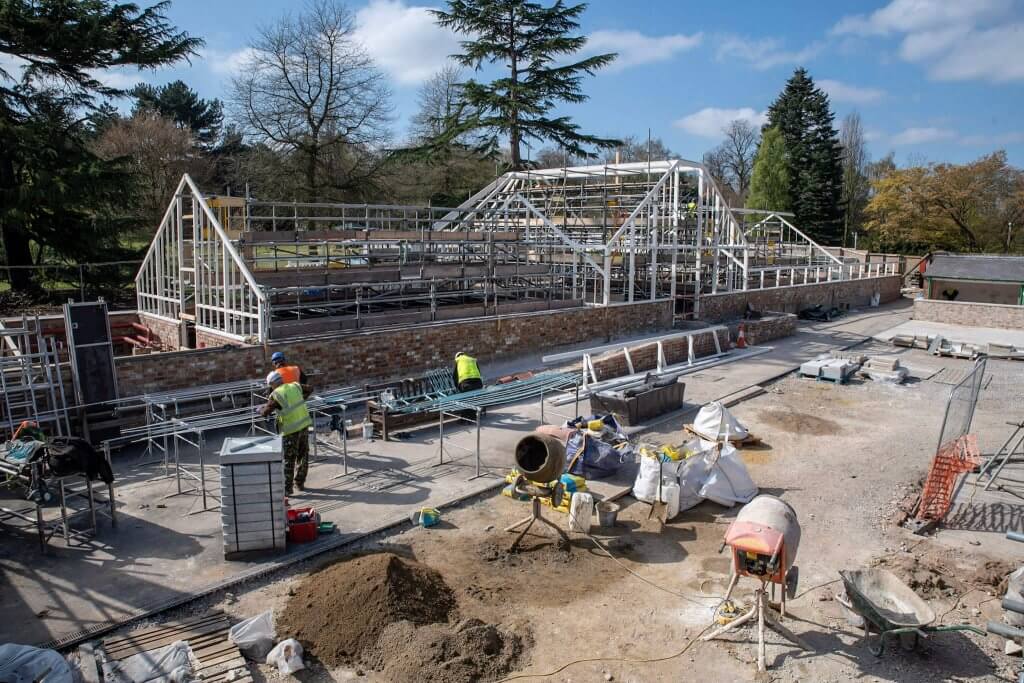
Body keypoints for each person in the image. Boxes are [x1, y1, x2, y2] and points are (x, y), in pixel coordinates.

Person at [260, 370, 312, 495]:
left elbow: (265, 412)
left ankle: (287, 489)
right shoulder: (295, 385)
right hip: (304, 425)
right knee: (303, 456)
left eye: (270, 385)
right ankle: (300, 483)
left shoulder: (276, 394)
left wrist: (261, 409)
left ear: (272, 383)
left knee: (289, 459)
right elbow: (310, 388)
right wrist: (302, 399)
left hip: (290, 430)